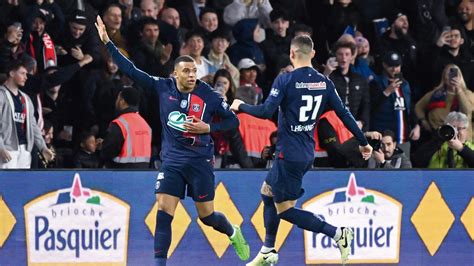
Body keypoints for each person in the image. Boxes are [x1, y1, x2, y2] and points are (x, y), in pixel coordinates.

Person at [95, 15, 249, 265]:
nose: (192, 75)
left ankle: (232, 231)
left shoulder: (208, 95)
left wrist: (207, 127)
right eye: (186, 71)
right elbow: (131, 70)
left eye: (194, 71)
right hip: (173, 161)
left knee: (206, 216)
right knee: (164, 211)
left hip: (200, 161)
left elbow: (233, 122)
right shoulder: (163, 87)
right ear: (175, 74)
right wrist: (108, 43)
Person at [230, 35, 372, 265]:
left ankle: (338, 233)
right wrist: (363, 142)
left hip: (289, 155)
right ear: (313, 54)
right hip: (305, 152)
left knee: (285, 210)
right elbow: (344, 115)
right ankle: (267, 251)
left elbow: (267, 112)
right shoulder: (324, 82)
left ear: (292, 54)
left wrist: (241, 106)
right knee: (267, 193)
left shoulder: (285, 80)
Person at [0, 59, 54, 168]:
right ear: (11, 73)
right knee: (7, 184)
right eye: (22, 73)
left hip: (25, 149)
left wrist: (43, 147)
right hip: (7, 148)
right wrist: (1, 148)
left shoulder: (25, 98)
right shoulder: (1, 95)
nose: (26, 77)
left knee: (22, 183)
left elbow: (33, 126)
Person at [99, 87, 152, 168]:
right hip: (142, 175)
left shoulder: (120, 123)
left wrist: (103, 146)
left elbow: (108, 151)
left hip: (121, 174)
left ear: (122, 101)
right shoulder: (145, 125)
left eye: (118, 98)